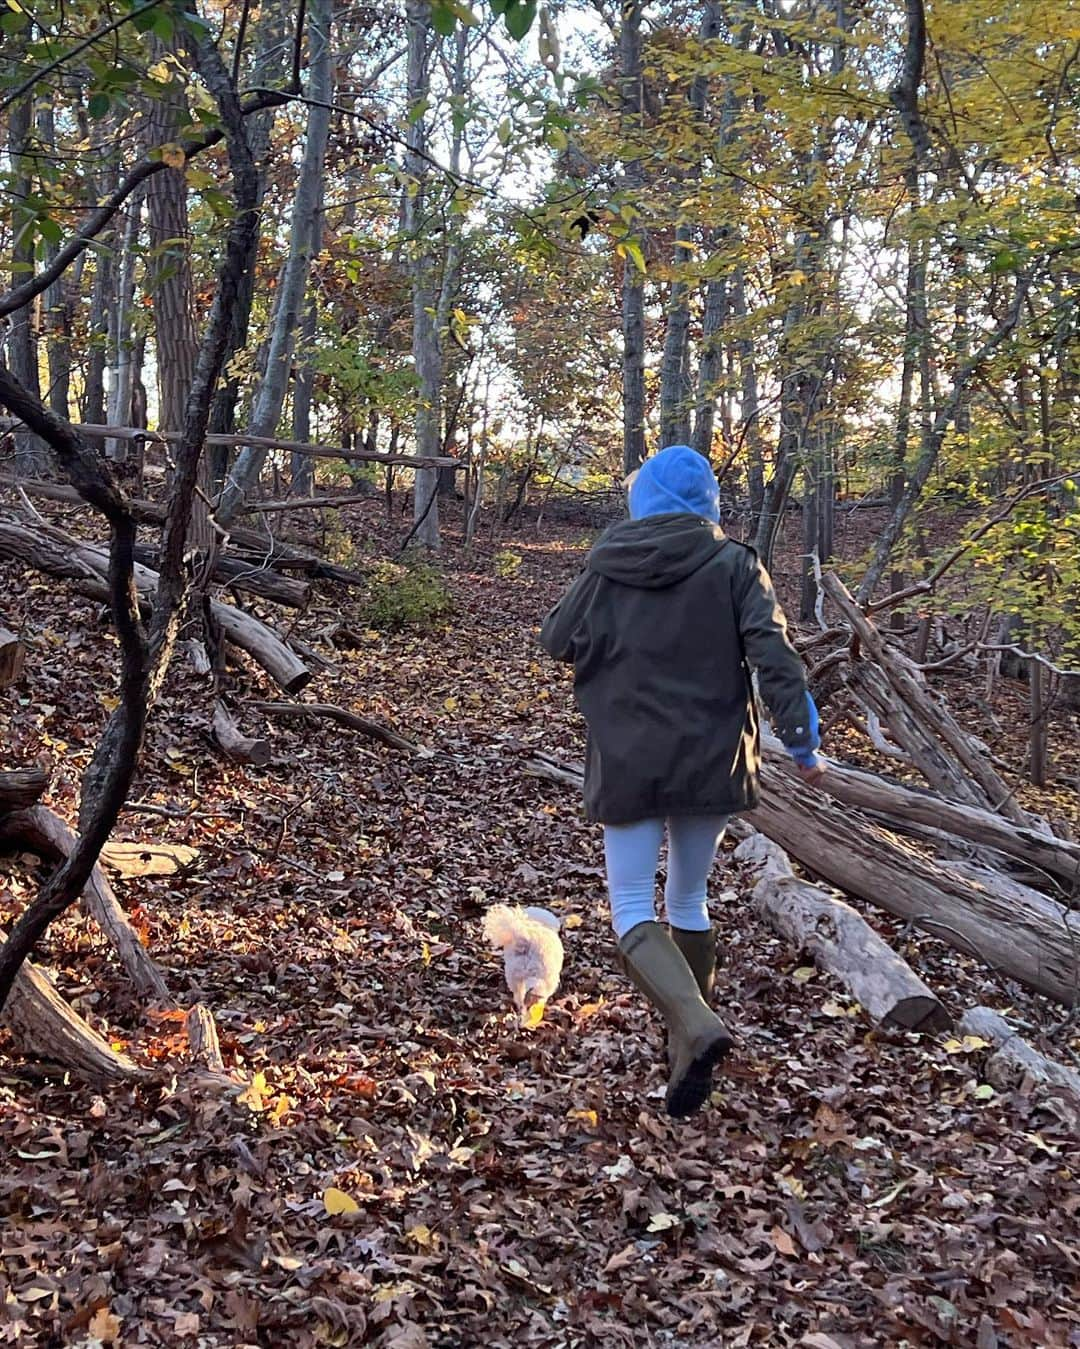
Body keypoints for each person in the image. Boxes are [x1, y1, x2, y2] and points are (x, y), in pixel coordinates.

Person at [540, 444, 824, 1119]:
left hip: (629, 756)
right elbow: (775, 656)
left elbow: (556, 639)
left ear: (643, 501)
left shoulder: (606, 565)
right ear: (707, 503)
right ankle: (687, 1048)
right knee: (689, 899)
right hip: (713, 756)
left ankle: (693, 1029)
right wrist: (803, 739)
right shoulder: (734, 564)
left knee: (633, 905)